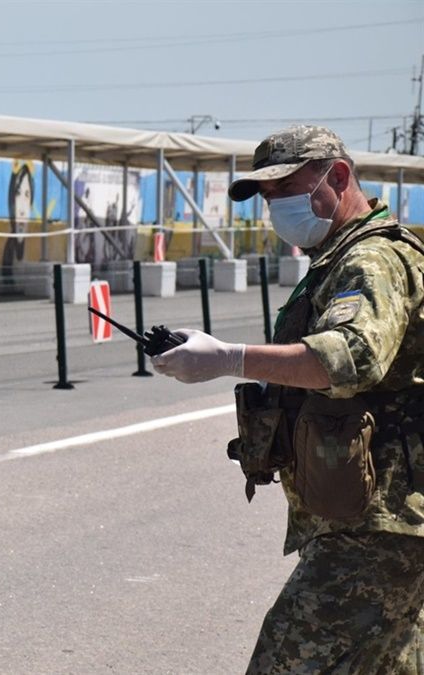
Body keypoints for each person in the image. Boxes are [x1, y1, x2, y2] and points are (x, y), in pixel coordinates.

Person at [152, 125, 424, 673]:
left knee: (285, 661)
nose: (276, 208)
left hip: (375, 527)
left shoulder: (369, 261)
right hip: (375, 520)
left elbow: (347, 357)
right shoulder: (335, 259)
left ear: (339, 177)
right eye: (269, 199)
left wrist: (228, 358)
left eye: (286, 192)